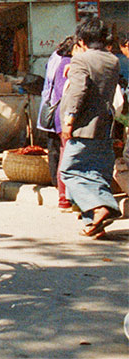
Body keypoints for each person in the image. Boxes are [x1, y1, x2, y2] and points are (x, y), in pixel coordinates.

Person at [59, 18, 121, 239]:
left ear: (82, 40)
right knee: (96, 173)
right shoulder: (112, 60)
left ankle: (101, 206)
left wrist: (69, 120)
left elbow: (78, 92)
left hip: (84, 126)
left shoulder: (81, 60)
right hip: (105, 125)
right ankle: (95, 224)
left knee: (70, 171)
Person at [38, 36, 76, 210]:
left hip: (53, 111)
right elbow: (64, 92)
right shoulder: (67, 63)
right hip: (62, 113)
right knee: (65, 153)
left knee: (58, 151)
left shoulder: (55, 57)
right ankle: (64, 196)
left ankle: (61, 191)